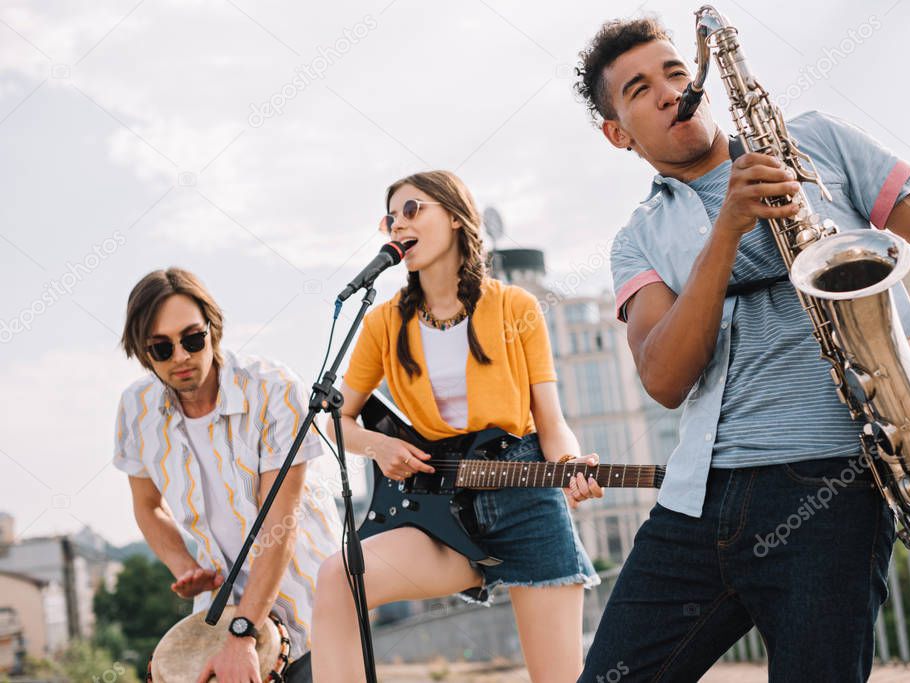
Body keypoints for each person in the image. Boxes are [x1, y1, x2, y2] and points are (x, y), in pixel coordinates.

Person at [572, 17, 910, 682]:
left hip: (833, 488)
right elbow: (662, 377)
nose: (667, 91)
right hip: (697, 502)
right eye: (638, 88)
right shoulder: (638, 238)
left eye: (676, 73)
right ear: (616, 133)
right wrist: (728, 228)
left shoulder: (816, 141)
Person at [312, 170, 602, 682]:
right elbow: (335, 421)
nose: (398, 224)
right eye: (391, 216)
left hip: (525, 501)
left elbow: (551, 424)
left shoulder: (516, 307)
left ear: (454, 216)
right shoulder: (383, 323)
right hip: (438, 512)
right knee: (340, 574)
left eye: (412, 209)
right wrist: (377, 445)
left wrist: (570, 466)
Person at [114, 268, 343, 681]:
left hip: (312, 613)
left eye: (192, 338)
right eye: (161, 348)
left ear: (212, 329)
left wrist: (243, 633)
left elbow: (281, 523)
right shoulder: (136, 410)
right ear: (143, 352)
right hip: (219, 618)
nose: (181, 356)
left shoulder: (274, 389)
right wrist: (184, 566)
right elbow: (148, 506)